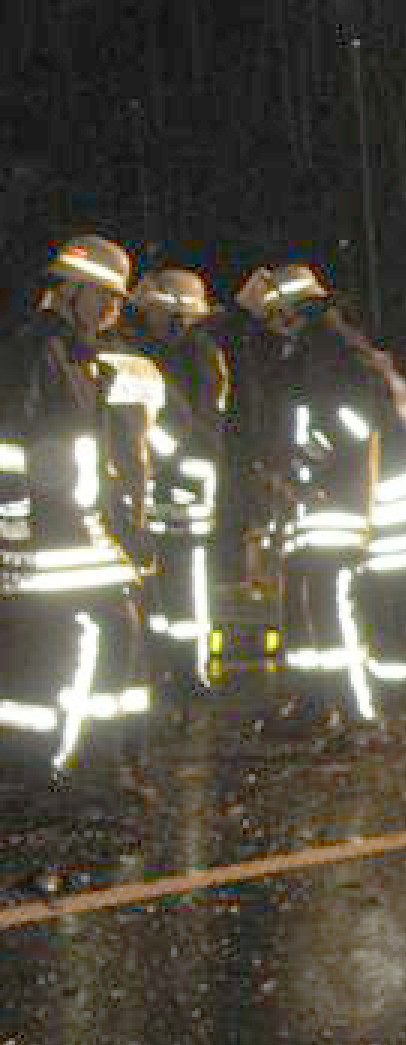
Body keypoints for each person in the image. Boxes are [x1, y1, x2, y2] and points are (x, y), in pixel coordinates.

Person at [235, 262, 406, 730]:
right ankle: (323, 701)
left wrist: (303, 464)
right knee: (317, 596)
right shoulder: (324, 348)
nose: (268, 329)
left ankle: (361, 712)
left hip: (366, 500)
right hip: (346, 496)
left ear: (290, 311)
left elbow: (351, 423)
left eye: (271, 317)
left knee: (337, 601)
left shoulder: (332, 353)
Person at [0, 234, 152, 788]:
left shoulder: (76, 355)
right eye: (104, 296)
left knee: (65, 642)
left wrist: (121, 522)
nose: (113, 309)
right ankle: (72, 765)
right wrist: (13, 525)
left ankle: (68, 763)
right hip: (44, 533)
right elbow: (9, 443)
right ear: (69, 292)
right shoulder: (34, 352)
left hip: (73, 528)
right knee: (83, 635)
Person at [122, 267, 231, 696]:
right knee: (160, 584)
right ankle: (164, 668)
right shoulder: (171, 353)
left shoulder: (196, 357)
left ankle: (188, 674)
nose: (146, 318)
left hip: (184, 486)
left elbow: (191, 429)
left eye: (153, 311)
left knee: (183, 585)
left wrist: (152, 447)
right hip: (164, 485)